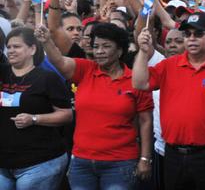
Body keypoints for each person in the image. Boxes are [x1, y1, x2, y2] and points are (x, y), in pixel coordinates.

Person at [133, 12, 205, 190]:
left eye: (198, 34)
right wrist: (143, 52)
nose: (191, 39)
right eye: (187, 35)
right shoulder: (169, 65)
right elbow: (140, 83)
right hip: (173, 154)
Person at [35, 23, 154, 190]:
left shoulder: (136, 79)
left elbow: (145, 121)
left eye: (106, 46)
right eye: (96, 46)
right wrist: (47, 41)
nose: (99, 51)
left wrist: (145, 158)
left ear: (120, 51)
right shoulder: (86, 69)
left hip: (120, 163)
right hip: (82, 162)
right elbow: (60, 62)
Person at [0, 27, 72, 190]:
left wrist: (34, 119)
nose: (11, 50)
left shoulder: (47, 78)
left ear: (32, 49)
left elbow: (66, 115)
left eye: (17, 46)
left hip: (40, 162)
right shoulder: (2, 72)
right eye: (9, 47)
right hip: (4, 163)